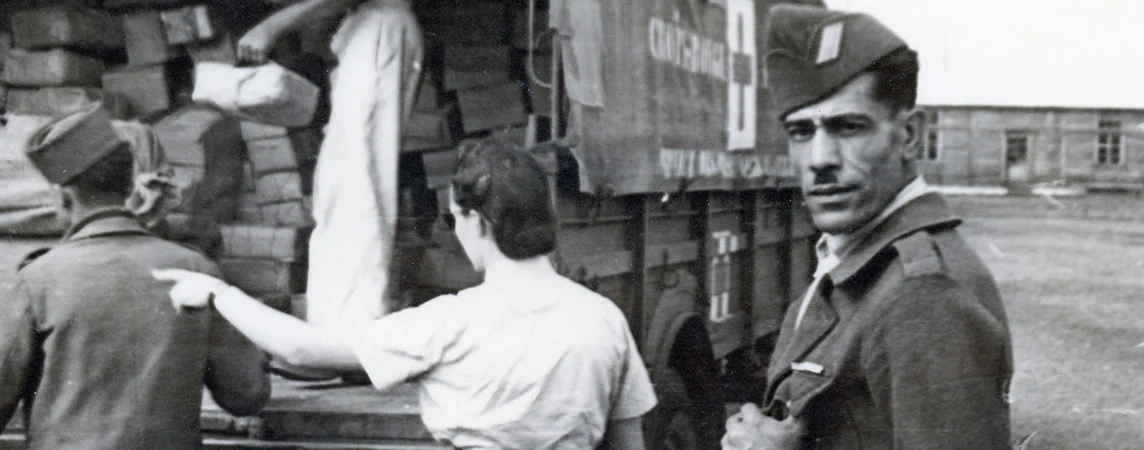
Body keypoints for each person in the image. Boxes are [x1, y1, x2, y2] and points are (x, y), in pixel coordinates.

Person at [154, 139, 658, 449]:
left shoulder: (451, 322)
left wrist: (217, 291)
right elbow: (626, 442)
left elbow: (303, 349)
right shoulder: (604, 319)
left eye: (453, 218)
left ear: (478, 223)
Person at [722, 5, 1014, 449]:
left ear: (910, 135)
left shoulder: (924, 294)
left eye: (848, 127)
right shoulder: (856, 260)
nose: (820, 159)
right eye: (801, 131)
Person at [0, 107, 270, 449]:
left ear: (63, 197)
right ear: (129, 184)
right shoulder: (196, 272)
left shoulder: (38, 281)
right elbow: (246, 395)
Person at [237, 0, 423, 335]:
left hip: (379, 26)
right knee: (345, 186)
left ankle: (351, 335)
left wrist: (273, 25)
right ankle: (339, 331)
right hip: (368, 28)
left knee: (358, 185)